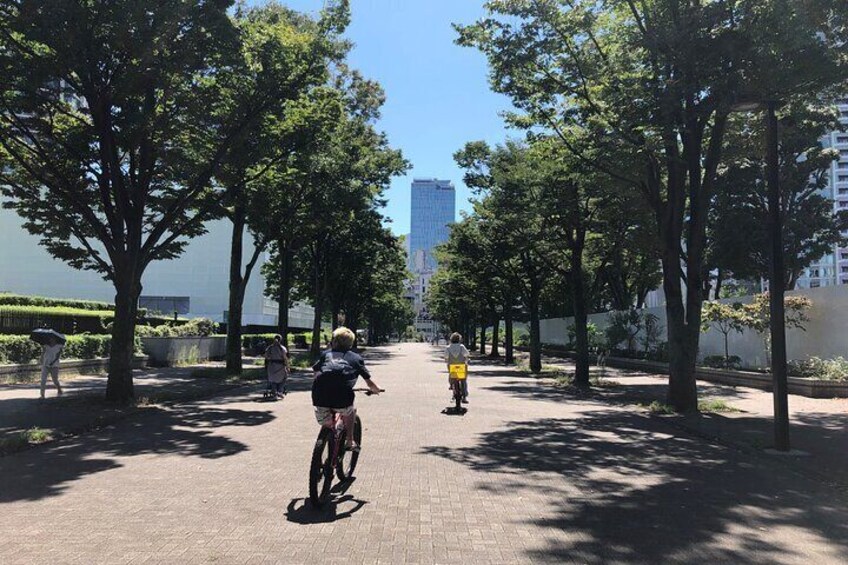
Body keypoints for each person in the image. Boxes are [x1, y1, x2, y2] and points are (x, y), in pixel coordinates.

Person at [312, 327, 382, 452]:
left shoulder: (325, 354)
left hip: (319, 395)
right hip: (342, 397)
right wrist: (376, 389)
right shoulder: (355, 358)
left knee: (327, 424)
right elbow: (369, 381)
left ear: (334, 341)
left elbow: (316, 370)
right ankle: (350, 441)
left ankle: (328, 432)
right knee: (351, 410)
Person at [445, 333, 470, 403]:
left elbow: (446, 357)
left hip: (452, 367)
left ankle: (451, 385)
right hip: (461, 367)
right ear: (459, 339)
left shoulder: (448, 348)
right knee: (463, 380)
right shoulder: (461, 347)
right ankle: (464, 397)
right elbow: (467, 354)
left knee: (451, 376)